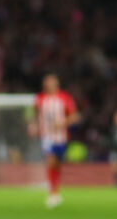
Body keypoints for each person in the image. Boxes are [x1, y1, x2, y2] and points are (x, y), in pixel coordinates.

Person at [29, 74, 80, 208]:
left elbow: (75, 116)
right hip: (46, 135)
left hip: (61, 136)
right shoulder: (40, 98)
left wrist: (63, 122)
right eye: (47, 83)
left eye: (52, 83)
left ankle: (55, 188)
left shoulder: (64, 98)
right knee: (50, 160)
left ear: (56, 84)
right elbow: (33, 114)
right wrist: (33, 125)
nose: (49, 85)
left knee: (57, 163)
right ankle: (52, 192)